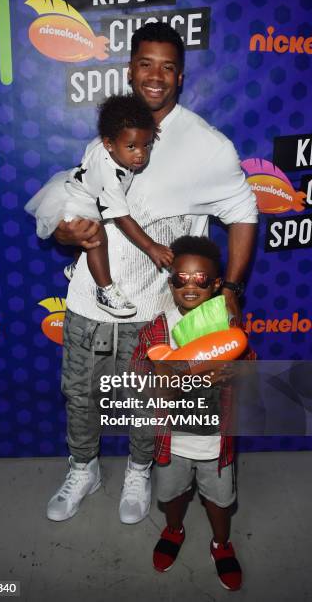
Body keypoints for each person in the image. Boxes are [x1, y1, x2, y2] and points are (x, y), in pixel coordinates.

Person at [45, 22, 258, 525]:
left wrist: (230, 287)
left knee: (145, 401)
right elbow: (75, 211)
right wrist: (65, 234)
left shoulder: (208, 147)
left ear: (180, 77)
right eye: (145, 64)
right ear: (130, 69)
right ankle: (84, 468)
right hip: (88, 301)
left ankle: (140, 470)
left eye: (166, 67)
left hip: (154, 309)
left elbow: (245, 211)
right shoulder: (110, 137)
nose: (155, 76)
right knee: (79, 395)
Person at [131, 235, 242, 590]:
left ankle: (221, 544)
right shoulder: (158, 329)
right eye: (181, 278)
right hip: (172, 441)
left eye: (202, 280)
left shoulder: (229, 327)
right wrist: (172, 375)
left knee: (220, 501)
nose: (190, 286)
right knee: (172, 495)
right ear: (170, 280)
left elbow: (253, 374)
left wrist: (232, 373)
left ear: (217, 284)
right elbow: (138, 374)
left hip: (216, 444)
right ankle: (174, 529)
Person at [25, 94, 173, 317]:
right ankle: (105, 290)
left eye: (147, 144)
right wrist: (151, 246)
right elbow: (123, 220)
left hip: (76, 188)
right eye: (131, 146)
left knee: (93, 228)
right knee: (96, 237)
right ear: (109, 144)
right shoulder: (109, 176)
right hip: (74, 202)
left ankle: (77, 266)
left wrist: (143, 132)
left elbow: (127, 133)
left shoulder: (105, 143)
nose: (141, 154)